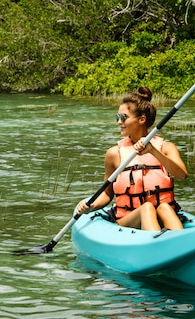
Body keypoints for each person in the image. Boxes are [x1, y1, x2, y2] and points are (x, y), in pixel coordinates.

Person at [75, 86, 188, 231]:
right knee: (146, 208)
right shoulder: (114, 154)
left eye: (123, 117)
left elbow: (182, 175)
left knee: (165, 207)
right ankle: (156, 246)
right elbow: (107, 193)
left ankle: (180, 243)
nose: (119, 122)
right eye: (117, 117)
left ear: (141, 119)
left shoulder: (165, 148)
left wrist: (153, 151)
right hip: (128, 220)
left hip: (162, 215)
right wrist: (91, 205)